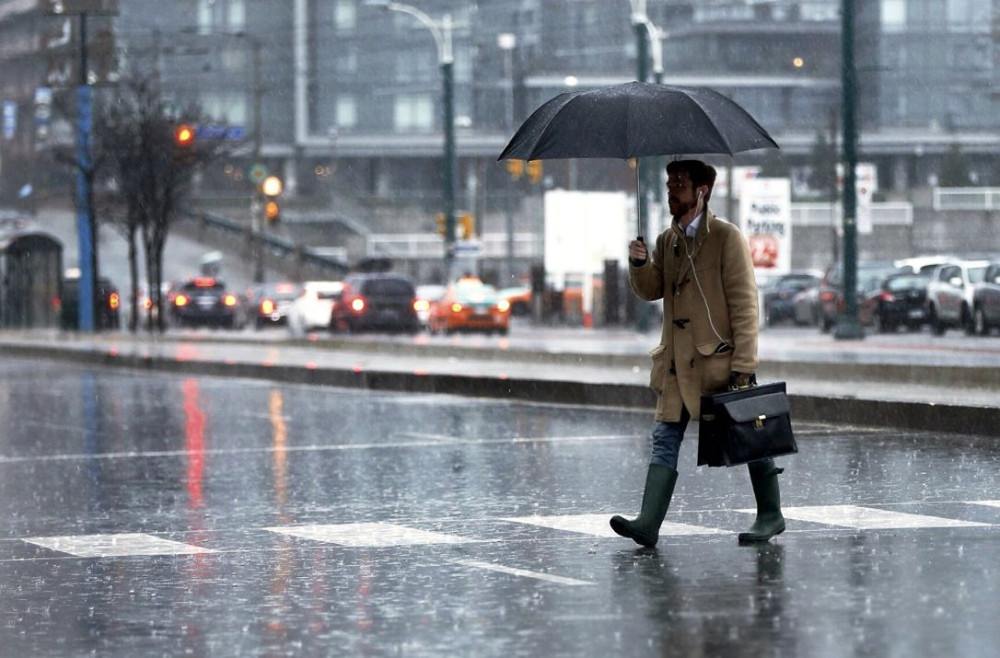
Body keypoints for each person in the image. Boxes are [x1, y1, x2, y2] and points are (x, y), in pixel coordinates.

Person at [610, 159, 786, 548]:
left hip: (716, 363)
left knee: (751, 434)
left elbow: (745, 306)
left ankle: (771, 514)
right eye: (669, 185)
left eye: (680, 185)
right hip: (676, 366)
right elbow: (651, 289)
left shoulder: (726, 237)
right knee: (664, 438)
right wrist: (639, 263)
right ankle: (648, 522)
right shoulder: (667, 241)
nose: (671, 191)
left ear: (701, 191)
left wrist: (744, 364)